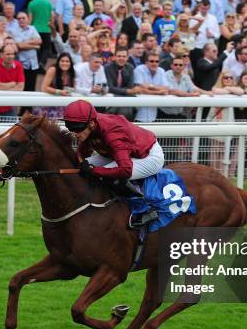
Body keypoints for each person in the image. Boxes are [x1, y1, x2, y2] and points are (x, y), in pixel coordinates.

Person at [61, 99, 165, 227]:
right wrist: (82, 161)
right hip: (121, 154)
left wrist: (94, 171)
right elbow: (83, 151)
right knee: (80, 167)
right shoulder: (91, 125)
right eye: (70, 127)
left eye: (77, 128)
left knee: (104, 174)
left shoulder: (113, 134)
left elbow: (125, 170)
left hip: (148, 156)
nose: (74, 133)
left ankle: (146, 210)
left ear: (92, 123)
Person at [0, 44, 24, 118]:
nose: (11, 56)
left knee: (11, 129)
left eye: (12, 54)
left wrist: (3, 86)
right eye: (8, 54)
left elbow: (20, 88)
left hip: (9, 107)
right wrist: (12, 84)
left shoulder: (18, 65)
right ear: (1, 55)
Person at [35, 52, 76, 120]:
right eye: (62, 61)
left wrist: (69, 91)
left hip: (63, 104)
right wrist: (60, 92)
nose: (64, 63)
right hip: (49, 103)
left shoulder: (71, 72)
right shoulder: (53, 70)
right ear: (58, 62)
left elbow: (73, 88)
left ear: (70, 63)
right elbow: (44, 87)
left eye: (67, 61)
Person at [133, 52, 169, 122]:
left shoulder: (161, 71)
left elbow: (166, 88)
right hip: (138, 113)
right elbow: (140, 89)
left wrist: (150, 86)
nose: (154, 63)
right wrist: (159, 92)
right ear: (146, 62)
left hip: (153, 114)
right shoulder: (139, 69)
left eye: (157, 61)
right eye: (151, 61)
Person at [13, 12, 41, 92]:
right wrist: (34, 46)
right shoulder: (14, 31)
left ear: (28, 19)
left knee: (32, 89)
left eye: (23, 18)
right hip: (22, 65)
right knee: (22, 89)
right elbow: (20, 46)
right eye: (19, 18)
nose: (21, 20)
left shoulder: (32, 28)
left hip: (33, 64)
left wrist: (24, 43)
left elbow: (39, 41)